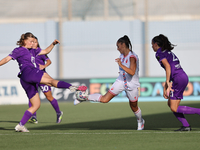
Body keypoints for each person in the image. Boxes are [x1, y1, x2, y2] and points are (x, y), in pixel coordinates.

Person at [0, 32, 86, 132]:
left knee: (36, 105)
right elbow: (7, 59)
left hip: (24, 79)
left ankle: (20, 125)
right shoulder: (18, 50)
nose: (32, 43)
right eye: (31, 41)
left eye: (33, 41)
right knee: (50, 81)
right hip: (29, 72)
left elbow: (45, 51)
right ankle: (72, 87)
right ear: (24, 41)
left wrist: (53, 44)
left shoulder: (33, 51)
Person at [74, 35, 145, 130]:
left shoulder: (132, 57)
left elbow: (132, 72)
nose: (117, 48)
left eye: (118, 46)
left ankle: (140, 121)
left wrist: (121, 65)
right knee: (104, 99)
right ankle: (84, 97)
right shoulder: (121, 56)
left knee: (134, 106)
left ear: (123, 45)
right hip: (121, 81)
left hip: (132, 84)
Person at [151, 34, 200, 131]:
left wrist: (168, 83)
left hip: (178, 78)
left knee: (174, 108)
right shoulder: (168, 52)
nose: (152, 46)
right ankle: (186, 126)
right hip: (182, 76)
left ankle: (198, 111)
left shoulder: (159, 53)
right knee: (171, 104)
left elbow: (168, 67)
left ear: (156, 44)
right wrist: (167, 84)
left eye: (152, 44)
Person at [28, 36, 63, 124]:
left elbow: (49, 61)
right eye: (32, 42)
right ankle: (33, 117)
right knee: (32, 96)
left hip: (42, 78)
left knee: (49, 97)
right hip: (32, 78)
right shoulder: (28, 53)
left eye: (35, 42)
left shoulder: (41, 52)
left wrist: (44, 66)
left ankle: (59, 112)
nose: (33, 43)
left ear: (37, 43)